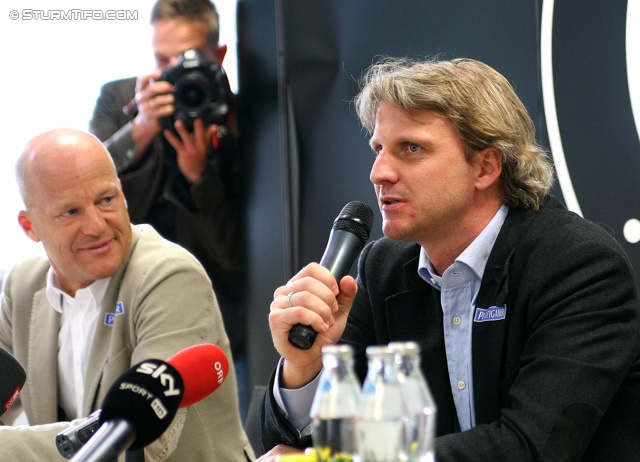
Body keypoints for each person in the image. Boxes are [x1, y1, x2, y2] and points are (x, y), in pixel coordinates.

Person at [256, 57, 640, 461]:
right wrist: (306, 368)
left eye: (411, 148)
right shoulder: (383, 268)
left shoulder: (578, 265)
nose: (379, 172)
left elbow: (532, 447)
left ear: (486, 167)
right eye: (378, 149)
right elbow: (298, 450)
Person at [0, 128, 255, 461]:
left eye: (106, 200)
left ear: (122, 194)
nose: (96, 226)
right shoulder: (21, 285)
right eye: (71, 212)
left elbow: (141, 440)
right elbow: (7, 403)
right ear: (29, 226)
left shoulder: (170, 276)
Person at [88, 0, 248, 416]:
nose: (173, 72)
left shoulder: (238, 115)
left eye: (185, 59)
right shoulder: (122, 99)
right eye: (162, 59)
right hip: (125, 299)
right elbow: (87, 189)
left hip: (216, 309)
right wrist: (139, 130)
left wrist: (200, 176)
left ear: (219, 56)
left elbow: (236, 254)